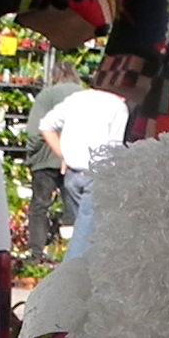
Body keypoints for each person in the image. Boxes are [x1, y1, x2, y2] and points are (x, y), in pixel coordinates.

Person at [39, 82, 129, 233]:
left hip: (72, 175)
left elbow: (46, 126)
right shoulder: (118, 106)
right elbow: (114, 147)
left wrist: (63, 155)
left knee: (80, 227)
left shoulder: (75, 99)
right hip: (98, 175)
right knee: (90, 232)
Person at [23, 63, 83, 256]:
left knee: (40, 206)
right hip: (76, 160)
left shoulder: (47, 95)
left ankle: (36, 252)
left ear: (54, 75)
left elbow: (35, 130)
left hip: (45, 159)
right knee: (73, 207)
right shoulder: (84, 95)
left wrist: (31, 153)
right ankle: (71, 253)